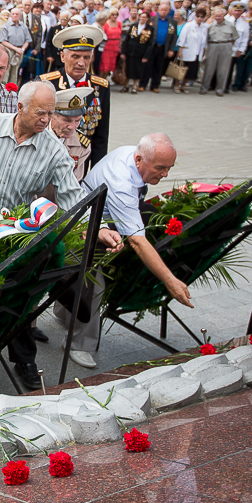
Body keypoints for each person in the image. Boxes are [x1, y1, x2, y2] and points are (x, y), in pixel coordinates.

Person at [0, 80, 121, 388]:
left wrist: (99, 229)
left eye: (50, 113)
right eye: (41, 113)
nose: (46, 120)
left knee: (20, 294)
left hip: (13, 230)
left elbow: (71, 195)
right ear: (20, 108)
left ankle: (24, 359)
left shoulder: (54, 150)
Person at [56, 134, 193, 369]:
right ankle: (80, 344)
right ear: (140, 159)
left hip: (103, 217)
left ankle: (63, 311)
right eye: (161, 168)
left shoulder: (135, 155)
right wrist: (170, 280)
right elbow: (138, 241)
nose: (165, 174)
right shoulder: (122, 182)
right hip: (83, 224)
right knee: (93, 282)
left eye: (170, 168)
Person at [39, 24, 112, 168]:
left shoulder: (100, 87)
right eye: (75, 56)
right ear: (63, 56)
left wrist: (96, 172)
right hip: (48, 157)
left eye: (86, 57)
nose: (81, 63)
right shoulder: (46, 84)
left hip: (82, 159)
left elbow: (101, 137)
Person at [49, 86, 92, 181]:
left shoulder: (82, 145)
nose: (72, 127)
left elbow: (75, 181)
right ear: (52, 115)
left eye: (77, 121)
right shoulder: (35, 135)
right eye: (67, 120)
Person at [139, 0, 178, 93]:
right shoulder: (152, 20)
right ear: (158, 10)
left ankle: (155, 85)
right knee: (147, 67)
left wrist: (171, 49)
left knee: (159, 67)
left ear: (168, 11)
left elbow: (174, 37)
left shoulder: (172, 22)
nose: (163, 12)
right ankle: (142, 84)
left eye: (165, 10)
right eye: (162, 10)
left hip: (163, 48)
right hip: (152, 47)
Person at [201, 8, 240, 97]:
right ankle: (204, 87)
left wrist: (227, 45)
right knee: (209, 68)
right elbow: (206, 38)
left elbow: (234, 38)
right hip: (213, 45)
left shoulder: (230, 25)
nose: (217, 18)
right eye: (216, 16)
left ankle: (220, 89)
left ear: (224, 15)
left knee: (223, 69)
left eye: (219, 16)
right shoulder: (210, 25)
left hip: (225, 45)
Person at [175, 8, 207, 94]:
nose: (199, 18)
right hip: (187, 51)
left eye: (202, 17)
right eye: (198, 16)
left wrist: (203, 52)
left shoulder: (204, 27)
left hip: (197, 52)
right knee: (181, 69)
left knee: (191, 71)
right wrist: (180, 51)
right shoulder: (189, 25)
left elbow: (204, 42)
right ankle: (177, 85)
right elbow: (182, 38)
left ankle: (184, 85)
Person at [101, 8, 122, 78]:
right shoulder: (106, 23)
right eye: (113, 14)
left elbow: (120, 35)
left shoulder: (119, 23)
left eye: (116, 15)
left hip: (116, 47)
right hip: (107, 46)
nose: (115, 16)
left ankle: (105, 80)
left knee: (111, 66)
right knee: (104, 65)